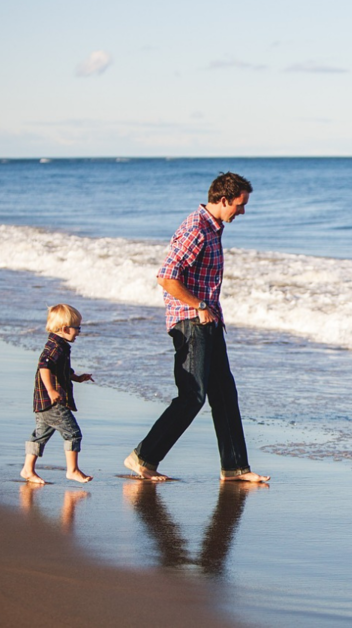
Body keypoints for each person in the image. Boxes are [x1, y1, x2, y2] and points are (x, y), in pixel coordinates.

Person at [124, 172, 269, 483]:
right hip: (191, 321)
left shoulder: (212, 228)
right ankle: (143, 457)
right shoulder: (197, 228)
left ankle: (235, 468)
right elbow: (166, 276)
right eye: (239, 205)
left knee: (225, 395)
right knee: (193, 395)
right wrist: (199, 305)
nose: (242, 211)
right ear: (223, 200)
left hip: (209, 320)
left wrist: (209, 310)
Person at [21, 304, 94, 484]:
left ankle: (28, 470)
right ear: (65, 329)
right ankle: (72, 470)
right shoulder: (55, 347)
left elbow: (60, 370)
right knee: (73, 433)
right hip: (53, 401)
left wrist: (77, 378)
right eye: (77, 328)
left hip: (43, 402)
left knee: (40, 434)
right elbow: (44, 367)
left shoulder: (59, 345)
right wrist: (52, 390)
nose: (78, 332)